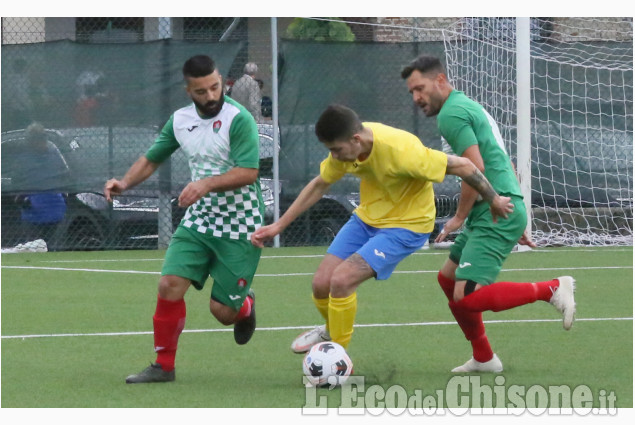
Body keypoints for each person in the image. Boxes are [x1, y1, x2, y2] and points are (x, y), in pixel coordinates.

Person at [251, 104, 514, 354]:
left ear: (355, 139)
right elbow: (320, 184)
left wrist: (494, 199)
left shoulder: (403, 151)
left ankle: (338, 359)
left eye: (337, 149)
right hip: (367, 219)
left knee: (341, 280)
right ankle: (332, 330)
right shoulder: (347, 150)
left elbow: (466, 166)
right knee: (321, 284)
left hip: (406, 226)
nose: (334, 156)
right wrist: (278, 225)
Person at [401, 55, 576, 373]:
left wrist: (459, 217)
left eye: (420, 89)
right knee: (447, 279)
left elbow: (474, 169)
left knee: (466, 297)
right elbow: (500, 159)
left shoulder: (451, 115)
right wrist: (516, 209)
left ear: (440, 80)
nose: (416, 98)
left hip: (495, 210)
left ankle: (550, 288)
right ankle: (484, 357)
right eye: (412, 92)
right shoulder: (467, 105)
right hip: (498, 207)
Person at [104, 55, 264, 384]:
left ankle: (244, 305)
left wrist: (204, 184)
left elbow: (249, 172)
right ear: (188, 90)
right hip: (201, 219)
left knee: (222, 313)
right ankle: (164, 366)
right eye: (201, 91)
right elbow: (152, 158)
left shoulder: (240, 118)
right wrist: (125, 182)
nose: (211, 96)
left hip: (241, 223)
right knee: (169, 285)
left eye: (216, 87)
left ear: (222, 82)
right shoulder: (180, 120)